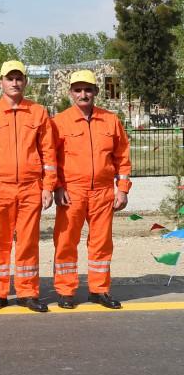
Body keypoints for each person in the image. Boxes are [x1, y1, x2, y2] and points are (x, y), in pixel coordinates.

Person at [0, 60, 57, 313]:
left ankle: (27, 292)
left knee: (28, 242)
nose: (15, 83)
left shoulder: (39, 113)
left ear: (25, 82)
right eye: (10, 78)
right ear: (1, 82)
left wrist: (48, 187)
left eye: (19, 78)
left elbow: (48, 153)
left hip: (31, 187)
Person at [52, 69, 132, 309]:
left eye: (88, 89)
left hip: (104, 192)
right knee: (66, 242)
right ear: (70, 93)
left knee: (102, 243)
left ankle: (99, 290)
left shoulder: (110, 120)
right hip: (72, 192)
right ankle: (66, 291)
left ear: (96, 92)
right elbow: (50, 159)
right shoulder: (59, 123)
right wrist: (57, 187)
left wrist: (123, 189)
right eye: (78, 90)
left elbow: (123, 157)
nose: (83, 94)